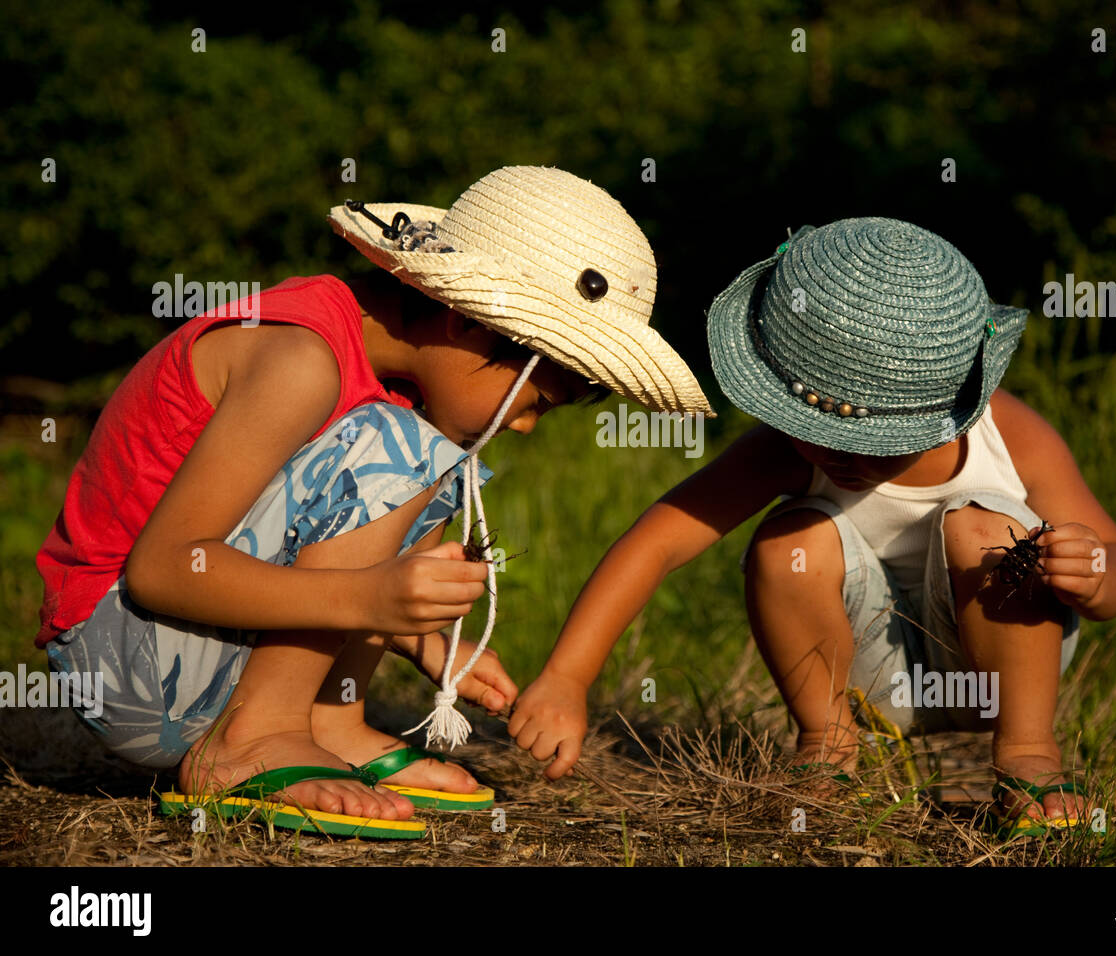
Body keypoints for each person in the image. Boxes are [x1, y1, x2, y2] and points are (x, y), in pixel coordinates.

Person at [35, 165, 713, 838]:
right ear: (467, 322)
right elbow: (164, 570)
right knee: (399, 446)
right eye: (535, 399)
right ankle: (254, 736)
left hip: (187, 660)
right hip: (126, 661)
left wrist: (425, 639)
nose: (527, 424)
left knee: (436, 458)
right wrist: (368, 599)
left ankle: (329, 719)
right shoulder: (300, 360)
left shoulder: (384, 381)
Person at [509, 217, 1116, 838]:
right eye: (814, 428)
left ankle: (1029, 752)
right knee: (791, 539)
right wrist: (567, 676)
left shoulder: (1010, 437)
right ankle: (828, 743)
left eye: (870, 439)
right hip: (874, 683)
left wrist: (1093, 574)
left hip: (997, 675)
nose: (836, 454)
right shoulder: (784, 451)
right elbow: (658, 541)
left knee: (987, 532)